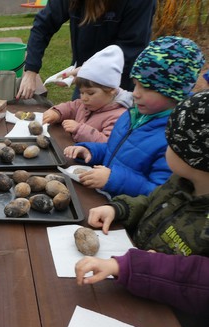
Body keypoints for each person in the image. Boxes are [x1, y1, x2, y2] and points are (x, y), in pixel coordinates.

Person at [74, 89, 209, 327]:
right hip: (139, 290)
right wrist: (120, 208)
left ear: (193, 157)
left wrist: (129, 266)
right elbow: (152, 203)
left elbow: (199, 277)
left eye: (170, 143)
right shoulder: (181, 182)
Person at [63, 36, 205, 198]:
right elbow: (115, 149)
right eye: (136, 84)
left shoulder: (174, 138)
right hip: (103, 198)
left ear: (173, 93)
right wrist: (91, 151)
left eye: (145, 88)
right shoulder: (134, 114)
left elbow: (160, 193)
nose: (135, 93)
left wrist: (114, 179)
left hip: (126, 214)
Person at [17, 0, 156, 100]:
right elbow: (43, 26)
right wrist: (31, 71)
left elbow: (131, 47)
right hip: (84, 78)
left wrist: (90, 70)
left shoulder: (140, 3)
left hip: (119, 85)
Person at [42, 45, 131, 143]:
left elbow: (108, 143)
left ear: (111, 89)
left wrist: (79, 129)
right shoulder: (87, 103)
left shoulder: (118, 116)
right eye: (81, 92)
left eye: (90, 93)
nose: (84, 98)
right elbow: (71, 107)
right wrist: (56, 113)